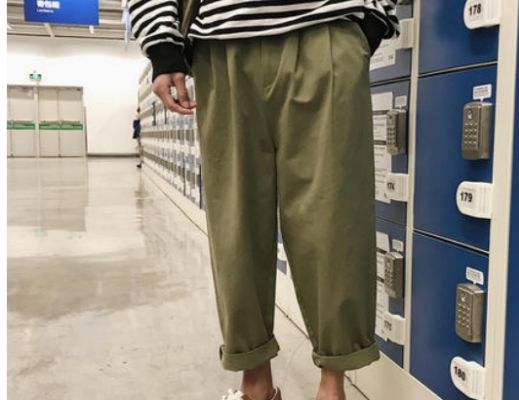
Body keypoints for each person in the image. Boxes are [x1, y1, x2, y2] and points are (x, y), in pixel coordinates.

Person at [129, 1, 399, 399]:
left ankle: (333, 388)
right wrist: (161, 43)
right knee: (235, 225)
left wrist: (372, 20)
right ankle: (255, 384)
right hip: (221, 43)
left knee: (335, 221)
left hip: (326, 29)